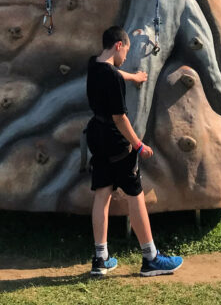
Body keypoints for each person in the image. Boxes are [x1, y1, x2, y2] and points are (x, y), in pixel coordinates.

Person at [85, 25, 183, 277]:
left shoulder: (93, 65)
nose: (126, 57)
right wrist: (139, 145)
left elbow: (113, 72)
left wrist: (133, 77)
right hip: (117, 141)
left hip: (96, 137)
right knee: (135, 194)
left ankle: (100, 258)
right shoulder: (114, 77)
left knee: (102, 194)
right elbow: (120, 118)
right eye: (126, 51)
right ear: (118, 45)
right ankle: (151, 258)